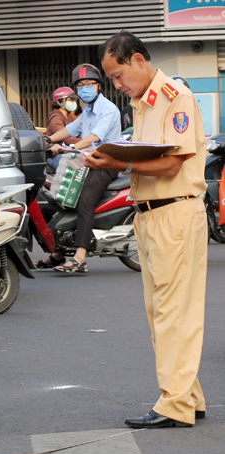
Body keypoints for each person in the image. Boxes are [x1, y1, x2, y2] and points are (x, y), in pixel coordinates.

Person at [86, 31, 207, 428]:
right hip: (149, 213)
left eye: (118, 76)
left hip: (175, 212)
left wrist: (118, 165)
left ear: (138, 59)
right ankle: (187, 395)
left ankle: (175, 405)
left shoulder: (176, 97)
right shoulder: (142, 102)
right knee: (161, 313)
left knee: (175, 313)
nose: (118, 86)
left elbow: (172, 164)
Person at [36, 64, 121, 273]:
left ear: (98, 86)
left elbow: (95, 137)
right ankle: (59, 252)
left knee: (84, 201)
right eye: (81, 85)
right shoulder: (87, 111)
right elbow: (68, 130)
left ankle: (81, 257)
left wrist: (70, 148)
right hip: (85, 161)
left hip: (105, 163)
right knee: (60, 193)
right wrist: (44, 141)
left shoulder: (108, 109)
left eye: (89, 84)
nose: (85, 88)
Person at [46, 87, 81, 170]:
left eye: (73, 100)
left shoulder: (69, 117)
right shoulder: (56, 117)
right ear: (61, 101)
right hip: (57, 155)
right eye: (70, 100)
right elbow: (67, 138)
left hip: (69, 152)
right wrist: (85, 142)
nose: (73, 102)